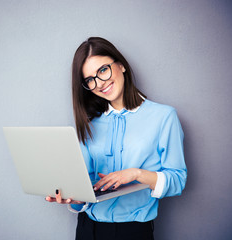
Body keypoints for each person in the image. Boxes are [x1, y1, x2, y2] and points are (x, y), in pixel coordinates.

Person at [45, 37, 187, 240]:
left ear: (121, 65)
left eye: (103, 70)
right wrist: (72, 198)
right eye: (90, 79)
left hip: (133, 232)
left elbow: (177, 180)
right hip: (87, 230)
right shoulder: (89, 123)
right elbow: (85, 189)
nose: (100, 83)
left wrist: (136, 174)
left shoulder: (164, 117)